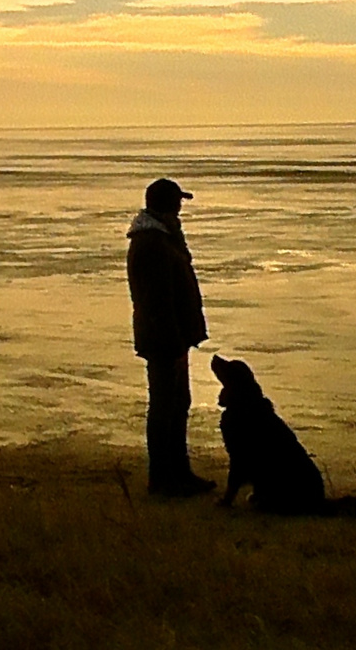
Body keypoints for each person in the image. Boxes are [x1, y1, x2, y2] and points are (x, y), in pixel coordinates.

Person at [126, 178, 216, 497]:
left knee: (176, 405)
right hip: (163, 340)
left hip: (169, 338)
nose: (180, 208)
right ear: (166, 205)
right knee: (166, 407)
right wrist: (176, 346)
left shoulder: (162, 237)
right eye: (177, 203)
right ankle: (164, 478)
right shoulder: (152, 242)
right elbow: (159, 302)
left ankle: (178, 473)